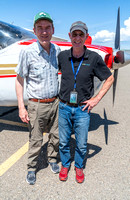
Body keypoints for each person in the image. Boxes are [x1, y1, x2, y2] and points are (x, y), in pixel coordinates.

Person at [58, 21, 114, 183]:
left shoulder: (94, 58)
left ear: (86, 37)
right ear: (69, 36)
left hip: (83, 109)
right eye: (74, 34)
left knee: (82, 144)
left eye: (81, 34)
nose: (77, 38)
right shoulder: (62, 56)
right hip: (64, 107)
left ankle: (79, 166)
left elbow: (109, 78)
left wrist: (96, 99)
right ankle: (66, 164)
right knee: (63, 141)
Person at [15, 11, 61, 185]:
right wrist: (21, 106)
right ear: (34, 30)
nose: (44, 32)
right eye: (40, 28)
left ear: (52, 29)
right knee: (35, 139)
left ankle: (52, 159)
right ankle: (31, 167)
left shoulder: (57, 50)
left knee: (56, 136)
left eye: (47, 27)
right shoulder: (28, 52)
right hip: (37, 104)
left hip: (55, 102)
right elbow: (19, 80)